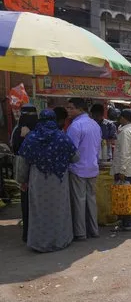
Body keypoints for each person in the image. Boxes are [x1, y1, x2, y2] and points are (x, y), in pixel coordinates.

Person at [16, 109, 79, 252]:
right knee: (59, 210)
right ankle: (60, 241)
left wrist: (22, 180)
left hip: (38, 181)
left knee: (39, 211)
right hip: (59, 180)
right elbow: (76, 157)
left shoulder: (31, 138)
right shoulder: (62, 137)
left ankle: (39, 243)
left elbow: (23, 162)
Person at [66, 97, 102, 241]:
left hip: (78, 169)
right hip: (92, 167)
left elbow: (70, 151)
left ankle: (81, 233)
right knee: (91, 200)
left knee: (79, 201)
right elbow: (97, 147)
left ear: (79, 109)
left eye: (70, 108)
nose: (68, 111)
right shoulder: (95, 125)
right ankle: (94, 230)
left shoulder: (75, 126)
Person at [11, 104, 38, 243]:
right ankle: (29, 233)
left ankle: (29, 234)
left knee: (29, 203)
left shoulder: (21, 130)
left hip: (28, 173)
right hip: (32, 174)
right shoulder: (37, 130)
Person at [111, 109, 131, 232]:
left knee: (124, 196)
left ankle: (126, 223)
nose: (119, 119)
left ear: (124, 118)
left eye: (120, 117)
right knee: (130, 195)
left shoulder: (125, 132)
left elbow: (124, 153)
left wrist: (122, 170)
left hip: (125, 169)